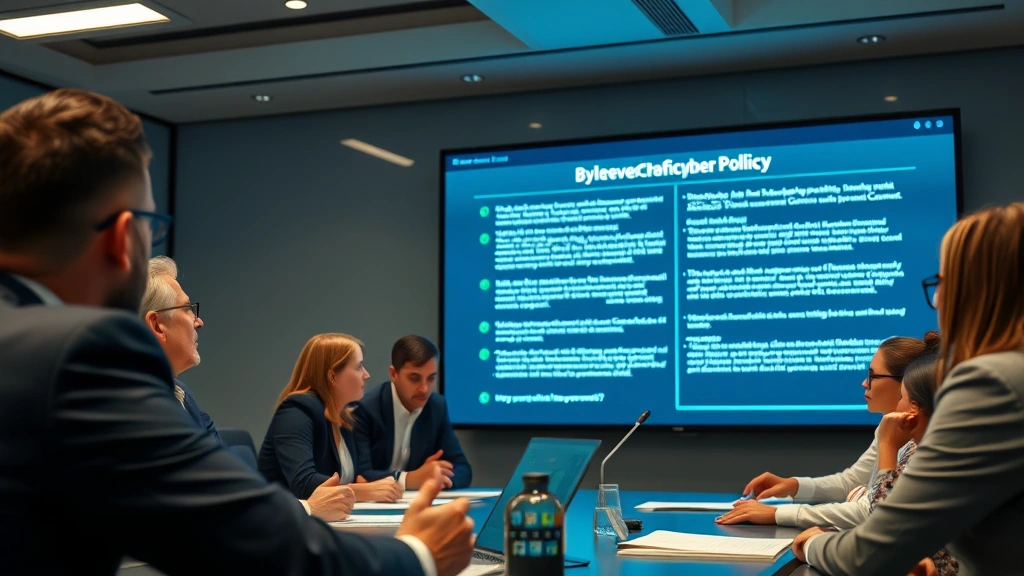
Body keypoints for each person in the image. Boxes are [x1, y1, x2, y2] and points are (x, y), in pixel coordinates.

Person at [0, 88, 474, 576]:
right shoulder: (81, 356)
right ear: (123, 238)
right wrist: (419, 555)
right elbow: (245, 539)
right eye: (150, 226)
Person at [794, 203, 1024, 575]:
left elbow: (871, 553)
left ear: (975, 292)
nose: (939, 299)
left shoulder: (993, 382)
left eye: (943, 283)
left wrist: (812, 543)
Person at [141, 256, 356, 520]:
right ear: (157, 325)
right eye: (188, 309)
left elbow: (232, 480)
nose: (199, 321)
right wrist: (308, 508)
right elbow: (201, 502)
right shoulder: (139, 407)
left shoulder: (183, 396)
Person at [718, 332, 940, 529]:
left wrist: (778, 513)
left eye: (873, 375)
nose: (865, 383)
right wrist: (793, 486)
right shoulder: (889, 426)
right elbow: (853, 481)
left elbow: (872, 512)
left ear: (905, 384)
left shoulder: (921, 445)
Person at [258, 333, 406, 503]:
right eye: (358, 367)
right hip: (282, 520)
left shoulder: (343, 415)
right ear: (333, 376)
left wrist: (383, 485)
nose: (366, 374)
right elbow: (303, 482)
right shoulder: (296, 411)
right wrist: (363, 492)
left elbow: (355, 477)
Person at [869, 352, 957, 576]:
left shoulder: (940, 464)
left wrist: (888, 446)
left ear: (914, 410)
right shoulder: (921, 451)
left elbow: (884, 528)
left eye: (901, 397)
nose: (896, 405)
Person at [354, 335, 472, 490]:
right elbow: (361, 473)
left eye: (431, 378)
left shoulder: (436, 407)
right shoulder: (366, 408)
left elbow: (462, 468)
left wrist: (439, 478)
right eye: (415, 378)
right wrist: (411, 478)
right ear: (393, 374)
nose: (424, 388)